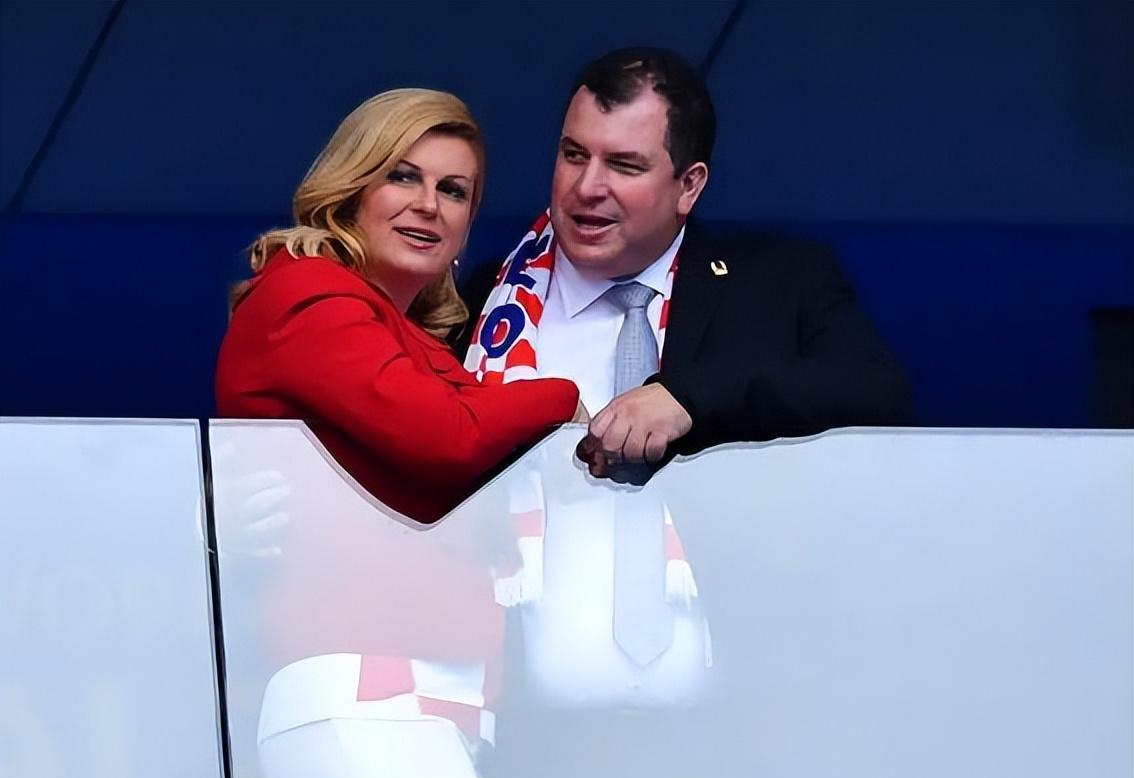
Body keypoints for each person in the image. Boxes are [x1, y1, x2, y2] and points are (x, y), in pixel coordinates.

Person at [461, 48, 911, 479]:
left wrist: (688, 399)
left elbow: (876, 388)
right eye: (574, 155)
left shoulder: (782, 282)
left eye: (624, 165)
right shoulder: (484, 298)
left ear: (689, 186)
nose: (586, 187)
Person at [216, 88, 584, 523]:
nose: (428, 205)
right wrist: (565, 399)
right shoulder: (306, 292)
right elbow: (449, 438)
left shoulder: (405, 326)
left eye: (452, 191)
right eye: (403, 177)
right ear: (353, 189)